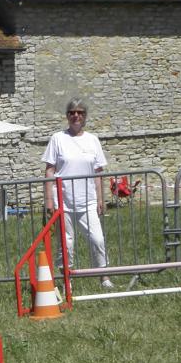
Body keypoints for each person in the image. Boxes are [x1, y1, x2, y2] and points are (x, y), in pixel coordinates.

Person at [43, 99, 113, 288]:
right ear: (67, 116)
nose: (76, 116)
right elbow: (50, 169)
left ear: (85, 116)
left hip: (88, 200)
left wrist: (101, 198)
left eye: (80, 112)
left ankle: (104, 276)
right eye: (72, 112)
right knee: (67, 243)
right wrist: (49, 199)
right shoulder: (57, 138)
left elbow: (98, 172)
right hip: (63, 201)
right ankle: (67, 279)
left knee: (97, 238)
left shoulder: (93, 140)